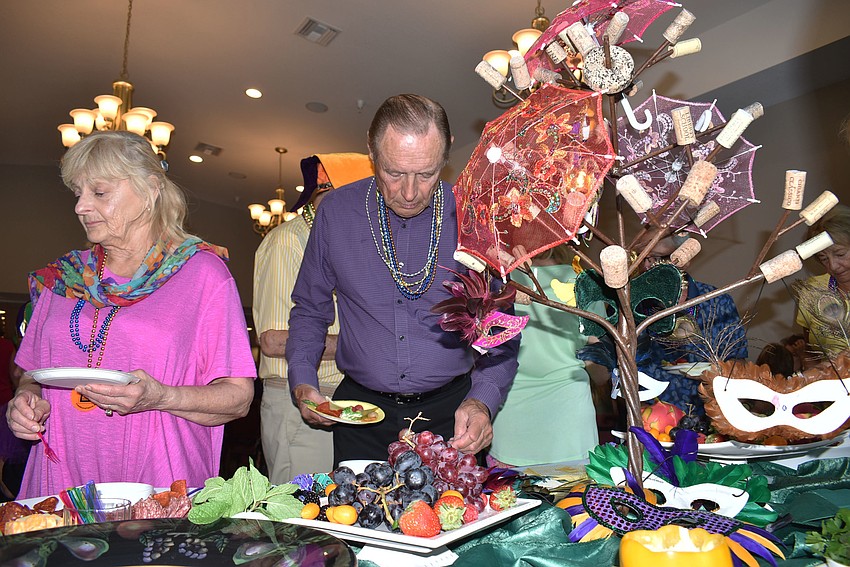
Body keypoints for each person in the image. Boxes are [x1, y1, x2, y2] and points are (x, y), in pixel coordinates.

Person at [6, 131, 257, 498]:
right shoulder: (63, 278)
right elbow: (30, 375)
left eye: (100, 192)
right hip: (59, 475)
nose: (80, 206)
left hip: (156, 480)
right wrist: (25, 402)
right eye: (78, 192)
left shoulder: (202, 274)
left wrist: (161, 397)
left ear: (151, 188)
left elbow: (238, 398)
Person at [285, 94, 520, 465]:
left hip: (452, 417)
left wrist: (482, 401)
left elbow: (501, 329)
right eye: (394, 173)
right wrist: (303, 382)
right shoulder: (335, 213)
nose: (409, 193)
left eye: (426, 174)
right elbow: (310, 310)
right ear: (372, 152)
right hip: (358, 418)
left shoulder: (476, 217)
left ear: (446, 155)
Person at [253, 152, 374, 483]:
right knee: (300, 516)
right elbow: (273, 340)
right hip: (300, 401)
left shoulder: (336, 241)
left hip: (340, 397)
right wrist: (364, 343)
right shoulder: (288, 241)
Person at [578, 231, 748, 415]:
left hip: (710, 415)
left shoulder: (716, 301)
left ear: (686, 257)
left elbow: (738, 363)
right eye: (645, 258)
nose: (650, 266)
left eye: (660, 258)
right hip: (648, 420)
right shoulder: (626, 307)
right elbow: (608, 370)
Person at [489, 245, 598, 467]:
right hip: (570, 410)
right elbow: (597, 356)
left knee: (509, 499)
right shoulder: (584, 281)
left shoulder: (498, 282)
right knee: (575, 499)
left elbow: (483, 347)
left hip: (510, 409)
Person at [794, 203, 850, 365]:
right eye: (824, 258)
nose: (833, 266)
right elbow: (811, 351)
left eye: (840, 254)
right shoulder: (813, 290)